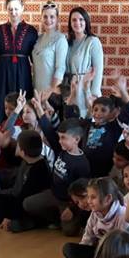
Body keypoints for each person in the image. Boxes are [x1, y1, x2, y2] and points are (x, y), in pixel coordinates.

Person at [22, 94, 90, 230]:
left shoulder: (82, 164)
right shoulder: (61, 149)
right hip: (53, 194)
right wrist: (38, 107)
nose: (60, 141)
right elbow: (48, 130)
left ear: (76, 139)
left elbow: (83, 191)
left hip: (68, 201)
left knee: (69, 231)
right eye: (59, 137)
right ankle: (56, 218)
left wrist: (71, 208)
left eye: (63, 138)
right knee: (27, 204)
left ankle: (69, 218)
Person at [0, 129, 51, 231]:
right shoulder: (28, 158)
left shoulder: (39, 168)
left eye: (18, 145)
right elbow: (11, 158)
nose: (16, 146)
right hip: (15, 195)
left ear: (22, 152)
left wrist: (9, 217)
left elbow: (23, 196)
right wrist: (6, 145)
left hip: (26, 205)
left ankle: (26, 222)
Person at [56, 177, 128, 258]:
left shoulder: (122, 215)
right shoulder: (95, 213)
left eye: (93, 197)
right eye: (88, 197)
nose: (89, 201)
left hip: (117, 255)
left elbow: (124, 247)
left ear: (108, 199)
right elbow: (87, 238)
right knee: (68, 249)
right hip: (99, 252)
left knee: (109, 255)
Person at [0, 0, 38, 124]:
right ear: (6, 9)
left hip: (22, 71)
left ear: (22, 8)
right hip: (2, 73)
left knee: (21, 99)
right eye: (10, 9)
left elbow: (34, 56)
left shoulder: (31, 31)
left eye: (16, 9)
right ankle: (0, 129)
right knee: (0, 100)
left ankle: (23, 129)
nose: (13, 12)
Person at [65, 7, 104, 118]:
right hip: (71, 90)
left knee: (86, 121)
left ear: (86, 21)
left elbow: (98, 69)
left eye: (81, 19)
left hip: (86, 90)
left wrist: (94, 94)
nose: (77, 23)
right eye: (74, 20)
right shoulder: (67, 43)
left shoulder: (92, 41)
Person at [31, 1, 69, 97]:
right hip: (36, 91)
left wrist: (51, 92)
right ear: (41, 18)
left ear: (57, 19)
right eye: (45, 16)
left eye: (52, 17)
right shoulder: (39, 39)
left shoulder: (60, 39)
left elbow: (60, 68)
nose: (48, 20)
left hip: (50, 94)